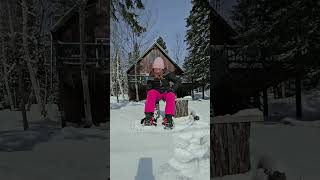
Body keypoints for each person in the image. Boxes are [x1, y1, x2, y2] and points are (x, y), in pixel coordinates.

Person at [142, 57, 181, 128]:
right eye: (155, 69)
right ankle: (149, 117)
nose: (156, 71)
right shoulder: (151, 75)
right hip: (156, 93)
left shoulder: (168, 74)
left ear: (162, 69)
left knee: (171, 95)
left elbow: (178, 81)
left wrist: (172, 89)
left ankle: (168, 118)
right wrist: (149, 92)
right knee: (151, 93)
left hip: (166, 92)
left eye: (158, 69)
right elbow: (148, 86)